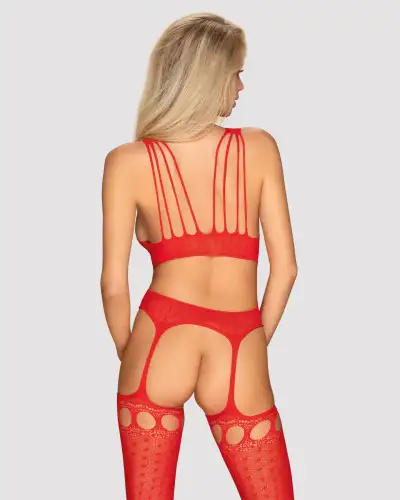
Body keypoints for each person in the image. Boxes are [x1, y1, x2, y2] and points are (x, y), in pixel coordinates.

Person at [101, 12, 297, 500]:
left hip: (157, 338)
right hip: (239, 339)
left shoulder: (127, 162)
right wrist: (253, 342)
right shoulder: (260, 148)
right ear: (209, 77)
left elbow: (113, 284)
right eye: (236, 73)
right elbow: (286, 270)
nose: (241, 87)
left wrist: (129, 352)